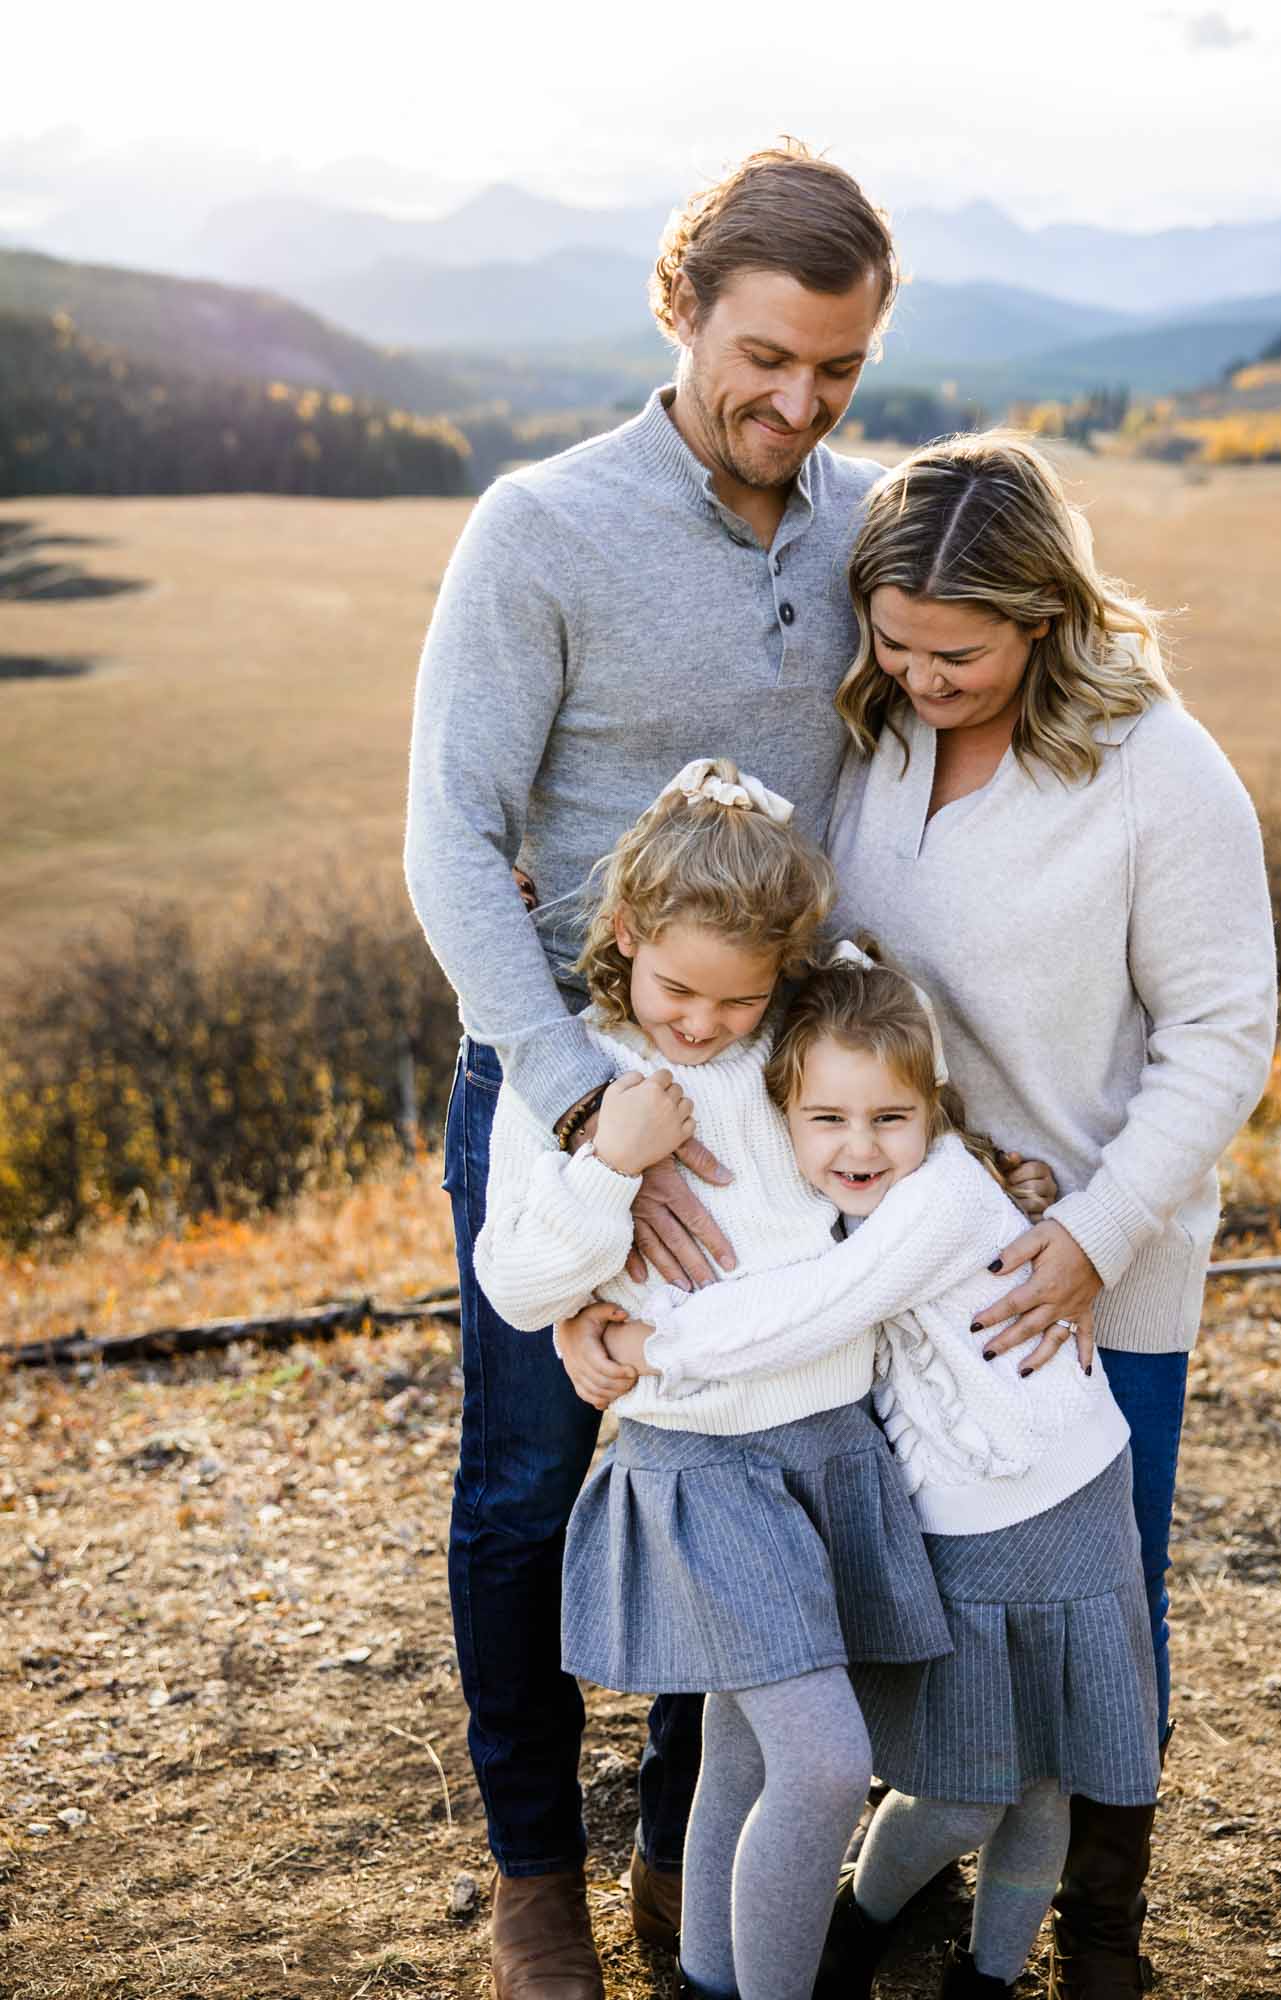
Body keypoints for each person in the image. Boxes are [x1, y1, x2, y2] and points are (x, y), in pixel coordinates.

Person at [404, 140, 902, 1998]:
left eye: (836, 370)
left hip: (777, 1114)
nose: (797, 401)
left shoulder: (866, 526)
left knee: (750, 1480)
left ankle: (688, 1852)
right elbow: (450, 837)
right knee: (528, 1492)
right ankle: (536, 1872)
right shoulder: (539, 526)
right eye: (764, 355)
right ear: (677, 310)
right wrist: (575, 1107)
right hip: (557, 1094)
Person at [824, 431, 1277, 1997]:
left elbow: (1226, 1031)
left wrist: (1092, 1239)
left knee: (1094, 1609)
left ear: (1046, 617)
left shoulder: (1155, 767)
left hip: (1096, 1266)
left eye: (957, 651)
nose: (919, 676)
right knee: (930, 1580)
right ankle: (936, 1863)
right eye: (891, 642)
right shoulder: (876, 736)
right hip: (906, 1260)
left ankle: (1097, 1934)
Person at [569, 945, 1161, 1999]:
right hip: (957, 1518)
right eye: (827, 1118)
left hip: (1057, 1503)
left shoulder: (937, 1199)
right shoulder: (841, 1203)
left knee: (1034, 1777)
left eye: (889, 1116)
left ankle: (981, 1973)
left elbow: (815, 1309)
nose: (858, 1144)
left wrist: (651, 1346)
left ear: (930, 1111)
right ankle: (847, 1930)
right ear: (783, 1116)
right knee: (964, 1777)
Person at [473, 765, 954, 2000]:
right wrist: (607, 1165)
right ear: (623, 933)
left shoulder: (794, 1036)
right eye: (676, 986)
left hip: (831, 1449)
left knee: (743, 1753)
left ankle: (709, 1978)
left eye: (737, 997)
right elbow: (519, 1280)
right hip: (705, 1468)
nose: (698, 1022)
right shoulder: (581, 1077)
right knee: (822, 1760)